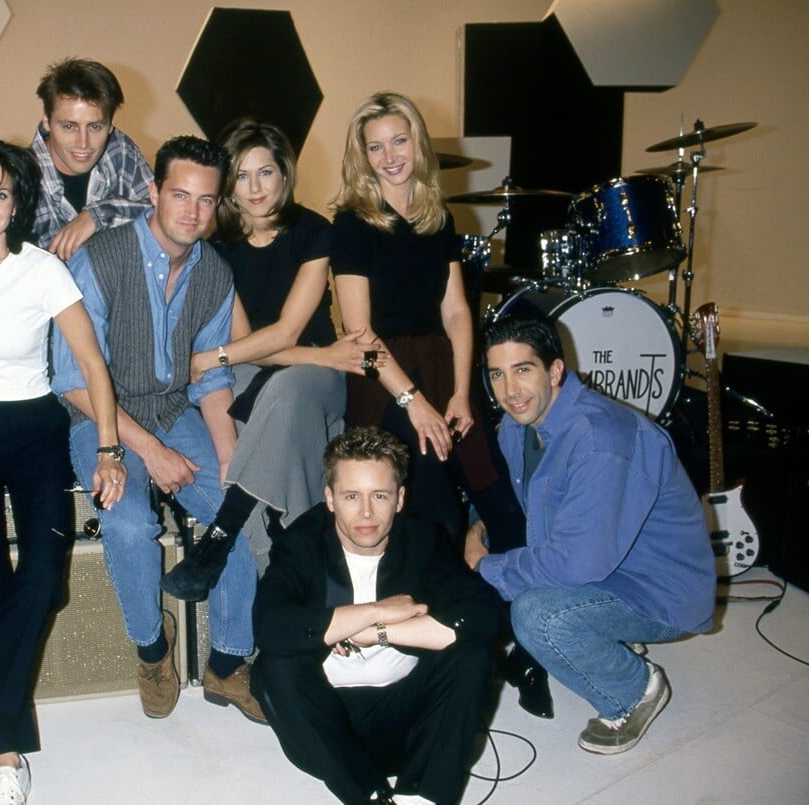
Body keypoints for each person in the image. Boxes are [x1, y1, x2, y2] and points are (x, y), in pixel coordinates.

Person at [330, 91, 549, 718]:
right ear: (363, 157)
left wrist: (459, 392)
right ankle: (451, 656)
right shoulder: (353, 222)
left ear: (418, 143)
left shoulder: (438, 217)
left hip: (442, 373)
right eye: (376, 147)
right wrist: (417, 403)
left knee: (501, 502)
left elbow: (457, 311)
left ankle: (527, 639)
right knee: (437, 521)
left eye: (400, 141)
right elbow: (360, 336)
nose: (390, 156)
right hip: (384, 382)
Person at [0, 132, 125, 804]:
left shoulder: (41, 268)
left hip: (34, 428)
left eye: (1, 192)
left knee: (40, 579)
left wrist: (108, 447)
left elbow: (92, 365)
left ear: (17, 203)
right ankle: (7, 754)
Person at [51, 135, 265, 724]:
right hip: (100, 418)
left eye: (205, 199)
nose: (191, 211)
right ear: (152, 193)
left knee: (237, 510)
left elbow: (212, 382)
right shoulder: (98, 259)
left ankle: (228, 663)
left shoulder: (215, 273)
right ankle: (152, 650)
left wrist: (231, 462)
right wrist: (148, 453)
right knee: (127, 523)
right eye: (179, 194)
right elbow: (71, 381)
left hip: (175, 410)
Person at [470, 315, 716, 754]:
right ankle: (604, 631)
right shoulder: (515, 426)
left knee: (537, 616)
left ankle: (634, 690)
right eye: (497, 374)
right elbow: (517, 505)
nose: (509, 391)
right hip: (610, 566)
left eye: (523, 370)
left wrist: (485, 567)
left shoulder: (602, 439)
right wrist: (478, 527)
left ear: (556, 370)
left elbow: (573, 563)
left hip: (662, 592)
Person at [161, 118, 371, 599]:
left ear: (284, 175)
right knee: (266, 396)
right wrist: (219, 361)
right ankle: (279, 578)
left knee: (286, 387)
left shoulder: (315, 232)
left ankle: (220, 533)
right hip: (284, 363)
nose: (255, 188)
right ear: (227, 185)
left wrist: (206, 359)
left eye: (266, 173)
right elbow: (251, 341)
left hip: (317, 373)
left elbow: (286, 331)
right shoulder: (216, 249)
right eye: (241, 175)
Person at [252, 427, 500, 805]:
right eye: (351, 496)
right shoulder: (301, 544)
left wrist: (379, 632)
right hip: (328, 730)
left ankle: (423, 797)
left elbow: (482, 617)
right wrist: (372, 612)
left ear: (399, 499)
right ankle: (369, 797)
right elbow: (269, 626)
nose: (366, 512)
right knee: (274, 669)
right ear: (330, 499)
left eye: (379, 496)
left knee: (473, 657)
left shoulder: (422, 540)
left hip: (411, 722)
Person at [30, 57, 154, 260]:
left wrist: (100, 215)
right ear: (47, 121)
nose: (83, 143)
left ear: (110, 125)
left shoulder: (120, 150)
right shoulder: (18, 176)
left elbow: (165, 216)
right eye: (69, 126)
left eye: (95, 127)